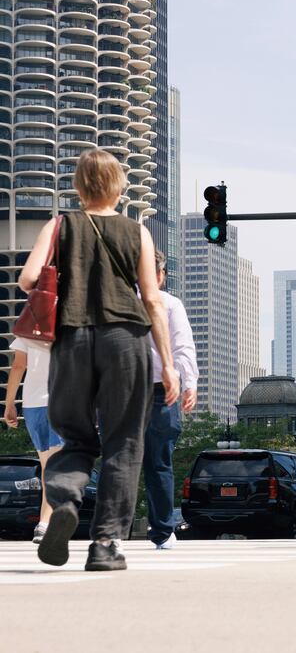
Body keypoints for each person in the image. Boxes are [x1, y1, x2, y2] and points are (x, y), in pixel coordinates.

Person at [20, 148, 178, 571]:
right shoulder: (137, 231)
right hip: (126, 340)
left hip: (71, 339)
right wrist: (168, 362)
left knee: (74, 438)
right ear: (120, 186)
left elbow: (28, 279)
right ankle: (105, 544)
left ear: (78, 185)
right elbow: (153, 300)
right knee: (124, 443)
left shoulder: (60, 225)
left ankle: (67, 499)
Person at [142, 250, 199, 551]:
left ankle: (111, 530)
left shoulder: (119, 299)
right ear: (161, 274)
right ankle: (163, 532)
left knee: (120, 461)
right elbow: (183, 346)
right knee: (159, 463)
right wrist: (189, 383)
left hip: (123, 391)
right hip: (161, 392)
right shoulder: (170, 303)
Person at [3, 337, 62, 543]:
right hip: (64, 401)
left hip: (32, 404)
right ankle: (46, 523)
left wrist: (9, 403)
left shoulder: (28, 326)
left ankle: (47, 521)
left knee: (48, 465)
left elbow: (19, 365)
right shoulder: (73, 321)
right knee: (56, 465)